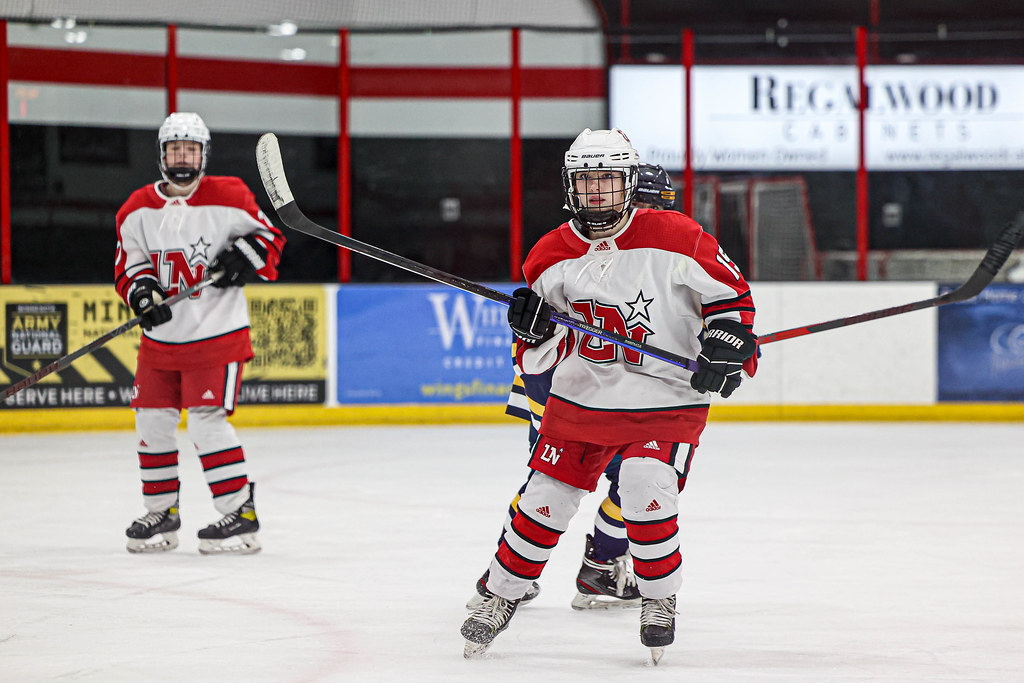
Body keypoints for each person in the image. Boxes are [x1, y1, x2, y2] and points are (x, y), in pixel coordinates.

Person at [460, 130, 757, 662]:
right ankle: (500, 598)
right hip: (582, 399)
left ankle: (659, 599)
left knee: (645, 487)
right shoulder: (549, 255)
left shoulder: (677, 236)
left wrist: (727, 340)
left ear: (629, 183)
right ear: (571, 186)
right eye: (587, 181)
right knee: (543, 500)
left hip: (664, 399)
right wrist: (533, 331)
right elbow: (536, 357)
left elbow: (731, 297)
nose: (598, 192)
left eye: (609, 180)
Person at [469, 163, 678, 613]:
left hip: (609, 390)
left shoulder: (656, 257)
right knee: (562, 480)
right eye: (649, 205)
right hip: (568, 387)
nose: (655, 216)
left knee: (635, 478)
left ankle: (526, 575)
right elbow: (536, 335)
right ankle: (545, 572)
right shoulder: (581, 253)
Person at [115, 112, 286, 555]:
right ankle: (161, 512)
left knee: (207, 425)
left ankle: (239, 515)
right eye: (175, 150)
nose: (183, 158)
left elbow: (270, 238)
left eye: (191, 149)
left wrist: (244, 256)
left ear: (203, 154)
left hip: (217, 335)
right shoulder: (136, 209)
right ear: (162, 155)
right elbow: (129, 264)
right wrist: (141, 292)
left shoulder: (229, 194)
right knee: (151, 422)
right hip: (161, 345)